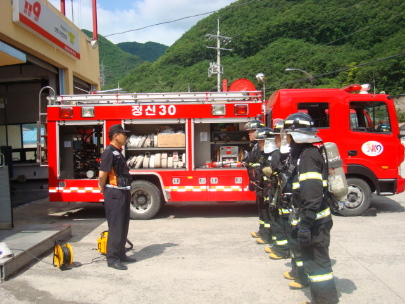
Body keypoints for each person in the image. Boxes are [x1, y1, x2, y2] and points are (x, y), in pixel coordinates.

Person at [283, 113, 339, 304]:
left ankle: (326, 301)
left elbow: (313, 196)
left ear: (296, 135)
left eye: (288, 136)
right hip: (314, 219)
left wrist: (305, 224)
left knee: (319, 265)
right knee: (314, 265)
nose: (287, 140)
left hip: (315, 222)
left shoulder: (307, 157)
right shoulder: (306, 154)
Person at [98, 124, 137, 270]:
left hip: (123, 192)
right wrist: (102, 188)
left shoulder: (117, 152)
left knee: (123, 224)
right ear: (115, 135)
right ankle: (112, 259)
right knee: (115, 226)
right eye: (123, 134)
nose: (125, 136)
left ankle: (121, 254)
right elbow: (102, 174)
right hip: (114, 193)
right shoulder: (109, 152)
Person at [243, 119, 268, 243]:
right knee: (261, 208)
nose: (249, 134)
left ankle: (266, 234)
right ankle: (262, 231)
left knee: (265, 209)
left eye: (251, 131)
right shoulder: (255, 146)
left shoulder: (261, 147)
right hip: (258, 183)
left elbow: (261, 166)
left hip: (263, 185)